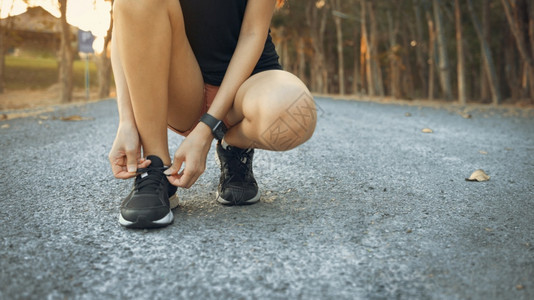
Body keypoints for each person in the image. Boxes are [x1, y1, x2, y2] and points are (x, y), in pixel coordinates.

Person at [109, 0, 317, 229]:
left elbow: (252, 32)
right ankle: (155, 168)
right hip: (183, 88)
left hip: (246, 85)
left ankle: (234, 146)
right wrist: (126, 120)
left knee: (298, 115)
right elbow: (125, 21)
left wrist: (208, 127)